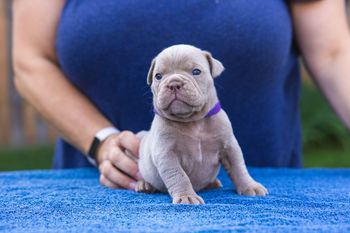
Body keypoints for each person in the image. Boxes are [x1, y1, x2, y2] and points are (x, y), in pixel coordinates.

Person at [12, 0, 350, 190]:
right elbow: (31, 59)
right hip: (109, 188)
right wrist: (101, 141)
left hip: (268, 195)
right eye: (161, 78)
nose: (174, 84)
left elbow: (334, 53)